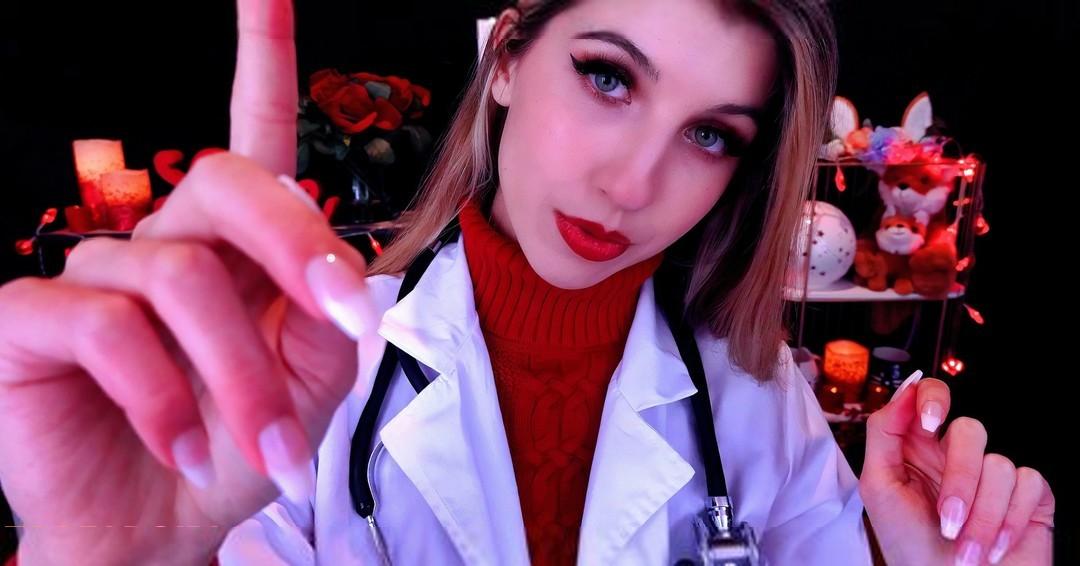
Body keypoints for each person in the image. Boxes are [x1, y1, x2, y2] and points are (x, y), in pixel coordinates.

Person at [0, 0, 1054, 564]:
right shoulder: (300, 372)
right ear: (505, 58)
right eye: (607, 77)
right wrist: (91, 556)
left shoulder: (759, 398)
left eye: (709, 134)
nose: (632, 183)